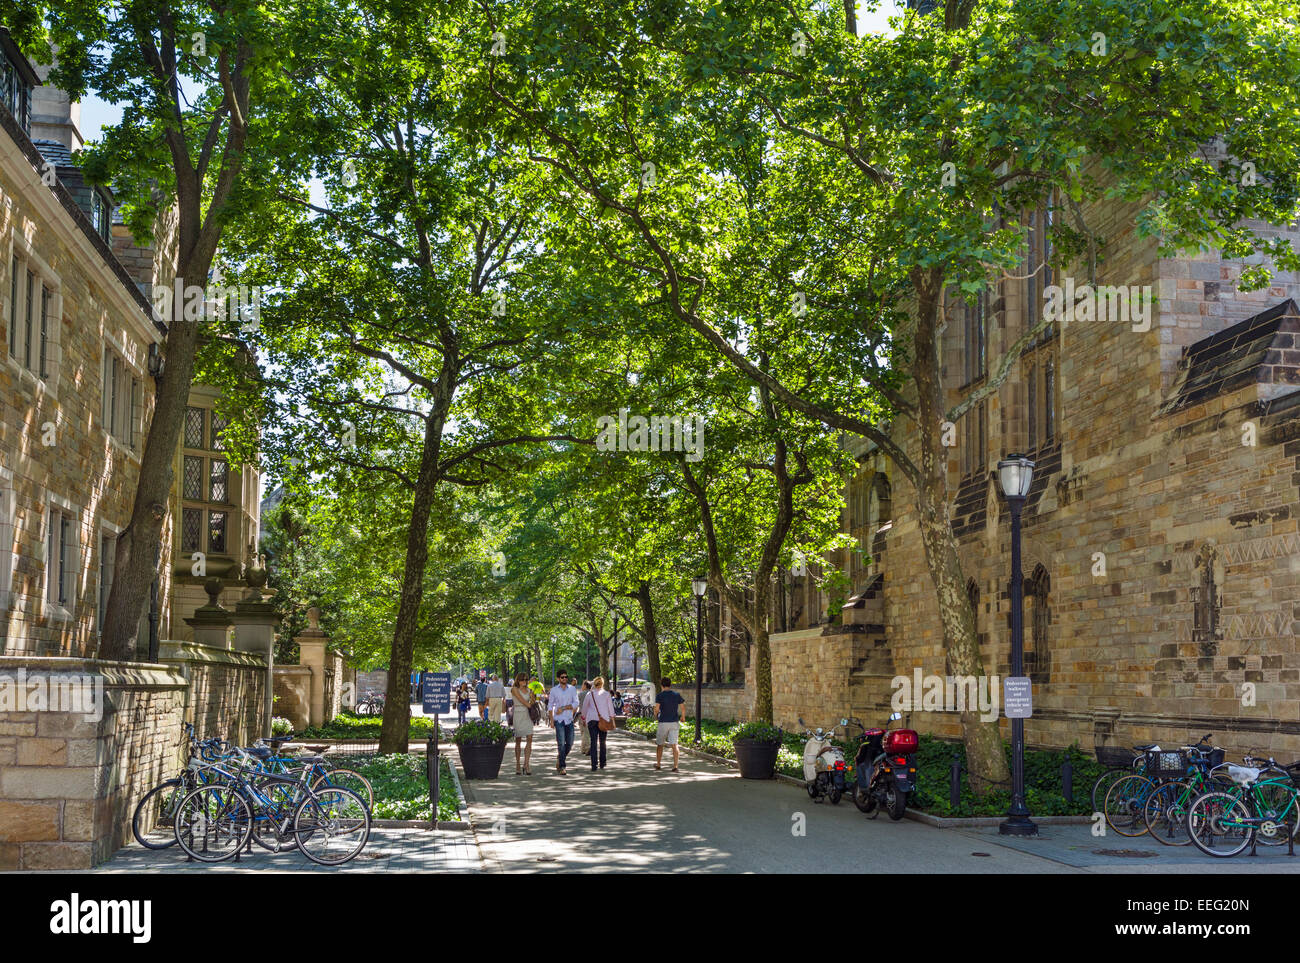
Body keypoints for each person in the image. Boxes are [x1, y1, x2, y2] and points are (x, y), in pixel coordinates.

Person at [548, 670, 580, 774]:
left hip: (569, 719)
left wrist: (564, 707)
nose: (565, 679)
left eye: (566, 677)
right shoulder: (553, 690)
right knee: (561, 744)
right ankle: (562, 766)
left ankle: (560, 757)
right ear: (558, 679)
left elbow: (576, 703)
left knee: (570, 743)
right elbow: (550, 706)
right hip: (559, 720)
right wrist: (551, 721)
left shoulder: (572, 689)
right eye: (562, 677)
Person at [582, 676, 616, 772]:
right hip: (604, 720)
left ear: (594, 684)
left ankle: (594, 765)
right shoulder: (606, 694)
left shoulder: (589, 694)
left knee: (593, 742)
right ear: (602, 684)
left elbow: (584, 707)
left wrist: (583, 718)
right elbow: (610, 708)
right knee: (602, 741)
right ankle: (602, 762)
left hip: (592, 719)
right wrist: (612, 719)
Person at [653, 677, 686, 772]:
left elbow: (657, 709)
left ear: (661, 685)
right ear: (670, 685)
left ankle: (658, 764)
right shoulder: (676, 695)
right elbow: (683, 708)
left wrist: (655, 715)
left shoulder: (660, 696)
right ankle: (675, 766)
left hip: (663, 722)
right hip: (674, 722)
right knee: (674, 744)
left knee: (660, 744)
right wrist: (683, 717)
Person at [510, 672, 540, 775]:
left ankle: (526, 764)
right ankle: (518, 764)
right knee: (518, 740)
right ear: (518, 680)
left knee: (530, 738)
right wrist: (530, 704)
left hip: (527, 715)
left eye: (526, 680)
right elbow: (522, 700)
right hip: (518, 714)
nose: (525, 681)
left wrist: (533, 697)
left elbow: (532, 702)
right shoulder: (514, 689)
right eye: (522, 680)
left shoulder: (529, 690)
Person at [577, 681, 593, 757]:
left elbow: (575, 704)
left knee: (584, 732)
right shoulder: (592, 694)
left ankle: (587, 748)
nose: (582, 686)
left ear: (585, 686)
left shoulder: (581, 694)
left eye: (583, 685)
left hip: (582, 715)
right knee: (588, 732)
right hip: (592, 715)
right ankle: (583, 748)